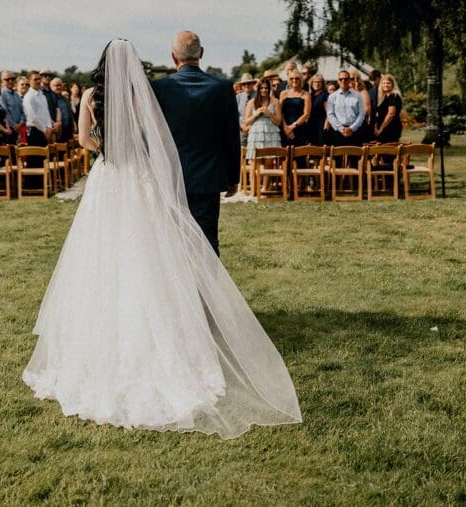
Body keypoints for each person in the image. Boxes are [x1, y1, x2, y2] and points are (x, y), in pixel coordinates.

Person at [23, 38, 301, 439]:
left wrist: (107, 150)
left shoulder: (87, 95)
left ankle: (105, 328)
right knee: (150, 252)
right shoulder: (143, 94)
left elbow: (84, 140)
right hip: (139, 176)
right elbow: (156, 137)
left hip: (108, 176)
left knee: (104, 254)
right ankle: (190, 319)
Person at [152, 31, 240, 255]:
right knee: (207, 241)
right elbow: (231, 136)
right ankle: (207, 290)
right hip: (207, 178)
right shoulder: (221, 88)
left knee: (174, 241)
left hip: (171, 176)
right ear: (201, 53)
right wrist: (233, 178)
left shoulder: (159, 89)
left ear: (173, 57)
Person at [243, 77, 282, 161]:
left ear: (269, 89)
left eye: (266, 88)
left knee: (269, 162)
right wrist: (255, 115)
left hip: (271, 134)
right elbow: (246, 122)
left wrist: (270, 114)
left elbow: (279, 121)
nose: (264, 90)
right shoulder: (251, 102)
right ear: (258, 89)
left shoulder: (275, 101)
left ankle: (268, 175)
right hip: (256, 134)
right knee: (255, 162)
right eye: (261, 88)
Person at [326, 69, 365, 146]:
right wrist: (341, 129)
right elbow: (330, 114)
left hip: (354, 132)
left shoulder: (357, 95)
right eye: (341, 79)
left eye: (346, 79)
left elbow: (362, 114)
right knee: (337, 157)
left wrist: (351, 128)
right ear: (338, 81)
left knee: (354, 157)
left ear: (349, 80)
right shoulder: (332, 96)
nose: (343, 81)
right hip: (338, 132)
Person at [278, 71, 311, 147]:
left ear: (301, 80)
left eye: (297, 78)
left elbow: (306, 114)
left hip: (299, 129)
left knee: (299, 156)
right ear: (288, 80)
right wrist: (285, 127)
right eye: (291, 78)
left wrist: (292, 126)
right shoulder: (283, 93)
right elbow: (280, 111)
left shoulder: (306, 94)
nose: (294, 80)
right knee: (284, 156)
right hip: (284, 129)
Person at [373, 73, 404, 143]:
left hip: (391, 128)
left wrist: (381, 128)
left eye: (388, 83)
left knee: (388, 151)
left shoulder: (394, 96)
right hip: (385, 128)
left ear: (393, 84)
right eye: (383, 83)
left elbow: (391, 114)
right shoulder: (386, 96)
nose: (385, 85)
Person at [0, 70, 25, 140]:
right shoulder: (1, 95)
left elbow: (22, 111)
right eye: (7, 79)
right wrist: (14, 126)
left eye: (12, 79)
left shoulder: (16, 94)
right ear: (2, 81)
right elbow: (5, 112)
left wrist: (21, 123)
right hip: (9, 130)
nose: (10, 81)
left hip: (19, 128)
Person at [350, 71, 373, 143]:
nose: (350, 81)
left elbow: (367, 109)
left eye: (352, 78)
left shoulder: (362, 92)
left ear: (357, 79)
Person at [235, 73, 256, 147]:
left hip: (256, 131)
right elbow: (234, 115)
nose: (246, 85)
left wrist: (251, 127)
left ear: (253, 83)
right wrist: (241, 126)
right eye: (244, 84)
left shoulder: (258, 96)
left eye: (248, 83)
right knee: (242, 155)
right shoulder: (238, 97)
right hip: (242, 133)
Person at [50, 77, 74, 142]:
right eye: (56, 85)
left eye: (60, 85)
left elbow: (70, 114)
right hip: (55, 132)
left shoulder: (65, 99)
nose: (59, 87)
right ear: (51, 86)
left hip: (67, 132)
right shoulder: (49, 99)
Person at [307, 73, 328, 146]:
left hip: (321, 123)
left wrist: (326, 126)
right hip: (311, 123)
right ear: (312, 83)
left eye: (319, 82)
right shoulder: (310, 95)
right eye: (315, 82)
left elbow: (328, 112)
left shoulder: (325, 95)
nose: (317, 84)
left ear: (322, 84)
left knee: (320, 145)